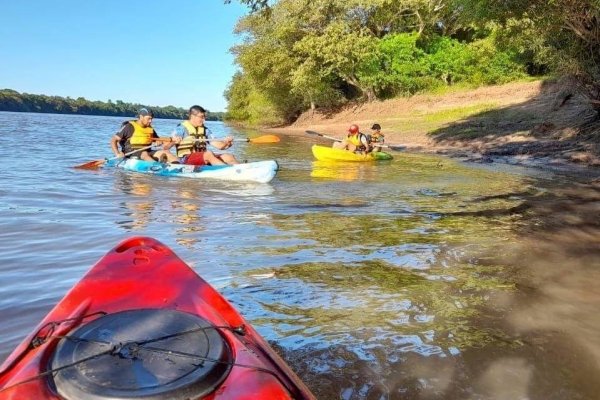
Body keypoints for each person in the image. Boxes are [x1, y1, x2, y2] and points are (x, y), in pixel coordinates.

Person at [169, 105, 239, 165]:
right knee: (208, 154)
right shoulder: (181, 128)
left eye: (204, 117)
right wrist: (174, 141)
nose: (204, 120)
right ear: (193, 116)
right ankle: (227, 170)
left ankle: (243, 170)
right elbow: (165, 147)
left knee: (228, 156)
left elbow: (219, 146)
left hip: (203, 157)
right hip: (186, 160)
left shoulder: (205, 130)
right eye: (201, 117)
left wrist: (226, 143)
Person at [110, 108, 179, 163]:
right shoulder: (129, 127)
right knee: (144, 154)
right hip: (131, 152)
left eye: (151, 119)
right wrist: (117, 153)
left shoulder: (150, 128)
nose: (150, 121)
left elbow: (158, 140)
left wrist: (172, 141)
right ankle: (157, 167)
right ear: (141, 117)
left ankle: (179, 166)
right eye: (148, 118)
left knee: (166, 152)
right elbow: (113, 140)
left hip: (148, 151)